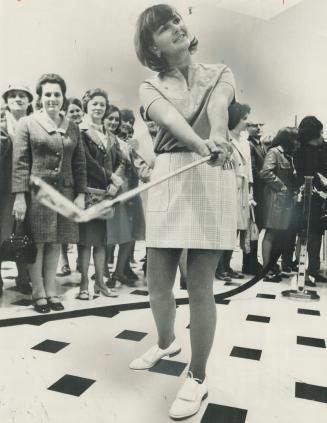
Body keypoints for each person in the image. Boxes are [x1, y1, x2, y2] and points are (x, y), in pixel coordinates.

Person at [131, 5, 237, 420]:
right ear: (150, 45)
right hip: (173, 172)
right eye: (162, 27)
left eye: (176, 20)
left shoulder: (220, 72)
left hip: (212, 172)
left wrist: (220, 139)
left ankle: (197, 375)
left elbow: (220, 109)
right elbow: (172, 120)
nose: (176, 26)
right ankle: (165, 341)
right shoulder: (149, 86)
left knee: (200, 286)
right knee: (158, 282)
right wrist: (200, 144)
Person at [12, 73, 86, 313]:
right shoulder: (28, 123)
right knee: (40, 243)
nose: (52, 99)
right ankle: (38, 292)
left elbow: (80, 163)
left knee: (56, 242)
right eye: (48, 94)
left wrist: (81, 194)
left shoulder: (72, 127)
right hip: (37, 195)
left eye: (57, 94)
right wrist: (20, 196)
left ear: (63, 97)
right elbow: (21, 163)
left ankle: (51, 289)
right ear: (40, 98)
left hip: (65, 195)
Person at [78, 89, 121, 299]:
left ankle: (100, 283)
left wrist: (116, 183)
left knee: (103, 241)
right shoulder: (81, 132)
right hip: (89, 193)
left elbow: (121, 160)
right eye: (95, 104)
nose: (98, 108)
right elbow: (87, 162)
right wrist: (111, 176)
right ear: (87, 105)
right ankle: (84, 284)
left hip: (107, 195)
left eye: (102, 105)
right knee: (86, 241)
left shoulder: (110, 134)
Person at [105, 105, 146, 287]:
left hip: (131, 194)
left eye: (128, 132)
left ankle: (119, 271)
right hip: (116, 194)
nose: (125, 136)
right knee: (112, 234)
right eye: (123, 132)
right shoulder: (111, 143)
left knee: (131, 235)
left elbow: (138, 167)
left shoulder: (131, 147)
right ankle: (107, 272)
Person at [0, 84, 34, 295]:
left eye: (22, 95)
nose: (18, 99)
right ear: (6, 101)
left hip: (26, 188)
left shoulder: (33, 124)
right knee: (1, 231)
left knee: (23, 231)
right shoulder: (2, 125)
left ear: (29, 100)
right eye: (13, 96)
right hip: (2, 188)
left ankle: (23, 277)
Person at [216, 102, 253, 281]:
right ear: (235, 119)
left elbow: (248, 168)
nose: (247, 122)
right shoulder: (226, 138)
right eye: (244, 118)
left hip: (242, 189)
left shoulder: (244, 142)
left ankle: (227, 265)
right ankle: (219, 267)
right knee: (226, 228)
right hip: (228, 187)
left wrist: (249, 188)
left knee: (237, 228)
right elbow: (225, 165)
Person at [260, 127, 298, 282]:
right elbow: (265, 172)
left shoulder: (288, 155)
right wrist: (281, 187)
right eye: (296, 139)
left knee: (280, 234)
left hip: (284, 200)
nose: (298, 143)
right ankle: (266, 269)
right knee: (271, 233)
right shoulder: (275, 152)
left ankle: (271, 266)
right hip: (275, 200)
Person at [294, 116, 327, 283]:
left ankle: (313, 269)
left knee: (316, 235)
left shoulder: (322, 148)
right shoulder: (300, 152)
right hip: (307, 199)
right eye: (320, 133)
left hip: (320, 200)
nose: (322, 137)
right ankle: (303, 271)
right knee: (305, 235)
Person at [58, 97, 84, 276]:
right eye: (71, 111)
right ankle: (64, 260)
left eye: (77, 110)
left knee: (83, 226)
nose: (75, 113)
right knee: (64, 224)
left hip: (83, 182)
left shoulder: (87, 129)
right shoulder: (65, 130)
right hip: (67, 183)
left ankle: (81, 261)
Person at [242, 120, 266, 274]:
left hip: (260, 192)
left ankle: (253, 262)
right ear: (247, 128)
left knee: (255, 228)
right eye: (254, 125)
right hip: (254, 192)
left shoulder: (261, 145)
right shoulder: (249, 145)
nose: (258, 128)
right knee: (251, 228)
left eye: (260, 125)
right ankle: (249, 264)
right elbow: (253, 169)